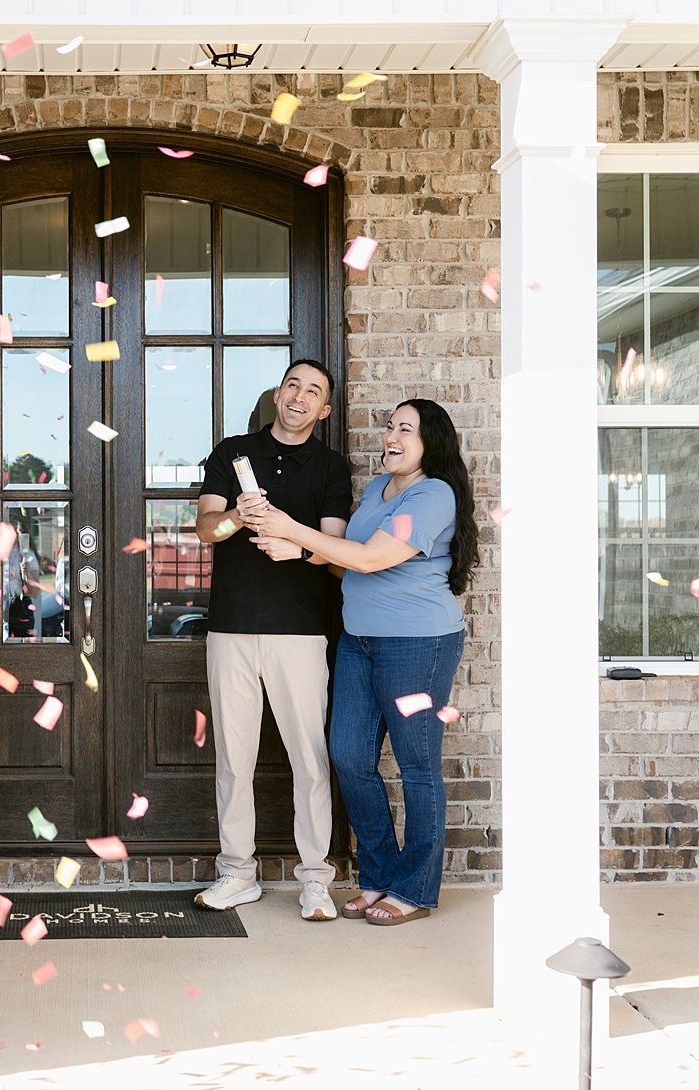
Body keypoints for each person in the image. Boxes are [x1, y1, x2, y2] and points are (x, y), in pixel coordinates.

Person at [243, 398, 476, 926]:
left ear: (431, 442)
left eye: (405, 429)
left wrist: (290, 527)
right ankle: (378, 876)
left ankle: (414, 890)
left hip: (418, 644)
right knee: (348, 757)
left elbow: (371, 558)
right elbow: (346, 560)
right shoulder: (377, 489)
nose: (391, 436)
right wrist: (304, 552)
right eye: (390, 426)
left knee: (417, 766)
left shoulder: (433, 494)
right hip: (360, 640)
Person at [191, 359, 352, 922]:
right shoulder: (233, 453)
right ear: (278, 394)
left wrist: (296, 546)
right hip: (231, 626)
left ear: (323, 410)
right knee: (234, 760)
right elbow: (207, 530)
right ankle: (237, 873)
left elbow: (335, 552)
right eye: (292, 386)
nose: (299, 397)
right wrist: (239, 515)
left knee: (309, 758)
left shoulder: (331, 468)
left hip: (302, 631)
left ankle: (316, 879)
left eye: (313, 392)